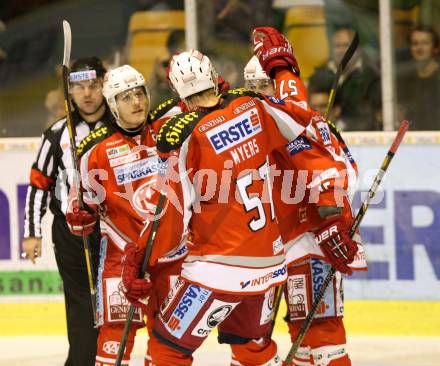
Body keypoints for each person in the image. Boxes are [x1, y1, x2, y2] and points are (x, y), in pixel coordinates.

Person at [121, 27, 358, 366]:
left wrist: (139, 258)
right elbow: (303, 122)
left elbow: (170, 216)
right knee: (253, 350)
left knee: (167, 351)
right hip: (270, 268)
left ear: (177, 94)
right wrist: (282, 67)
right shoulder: (254, 106)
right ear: (217, 79)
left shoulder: (187, 136)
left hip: (217, 271)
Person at [244, 55, 367, 365]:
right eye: (251, 87)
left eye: (264, 86)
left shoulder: (301, 125)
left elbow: (342, 171)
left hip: (312, 238)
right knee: (298, 328)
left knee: (321, 329)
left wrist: (333, 219)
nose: (258, 94)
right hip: (275, 244)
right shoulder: (254, 128)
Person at [65, 64, 187, 366]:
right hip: (121, 256)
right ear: (112, 104)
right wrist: (80, 216)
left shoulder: (166, 131)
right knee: (115, 338)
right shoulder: (95, 149)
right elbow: (81, 212)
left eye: (140, 94)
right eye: (126, 97)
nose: (137, 102)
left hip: (169, 255)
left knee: (169, 341)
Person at [22, 56, 112, 366]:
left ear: (104, 85)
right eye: (79, 87)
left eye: (94, 85)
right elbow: (38, 184)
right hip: (71, 235)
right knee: (81, 307)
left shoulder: (120, 126)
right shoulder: (57, 133)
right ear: (69, 91)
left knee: (114, 306)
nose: (87, 93)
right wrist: (31, 232)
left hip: (116, 234)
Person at [308, 26, 381, 131]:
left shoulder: (371, 75)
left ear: (358, 49)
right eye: (337, 46)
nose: (341, 50)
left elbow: (375, 111)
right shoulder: (319, 75)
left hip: (361, 133)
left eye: (346, 45)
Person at [397, 25, 440, 130]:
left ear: (436, 48)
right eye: (415, 43)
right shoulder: (403, 78)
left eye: (425, 43)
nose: (419, 48)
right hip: (411, 141)